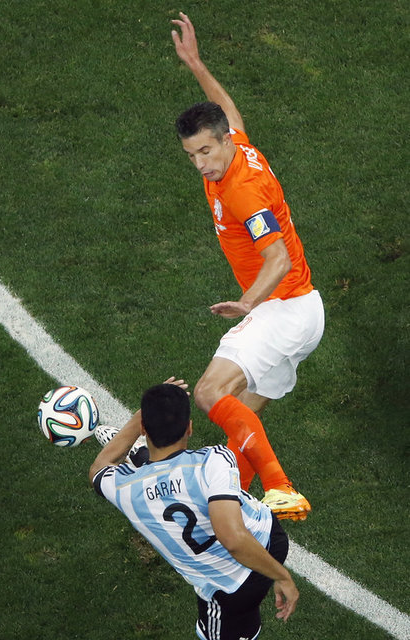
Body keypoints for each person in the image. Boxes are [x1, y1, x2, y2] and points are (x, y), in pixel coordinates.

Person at [171, 13, 325, 520]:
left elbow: (277, 258)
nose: (201, 164)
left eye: (206, 151)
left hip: (282, 308)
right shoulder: (237, 146)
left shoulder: (242, 191)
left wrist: (247, 303)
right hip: (304, 311)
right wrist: (196, 64)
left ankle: (281, 488)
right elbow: (230, 111)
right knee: (242, 417)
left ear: (224, 143)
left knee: (210, 392)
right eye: (191, 155)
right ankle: (228, 511)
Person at [89, 378, 299, 640]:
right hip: (270, 542)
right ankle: (141, 457)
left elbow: (99, 468)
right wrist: (280, 573)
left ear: (144, 428)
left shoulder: (125, 490)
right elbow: (234, 536)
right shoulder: (215, 459)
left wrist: (138, 419)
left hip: (228, 590)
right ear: (189, 428)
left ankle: (142, 458)